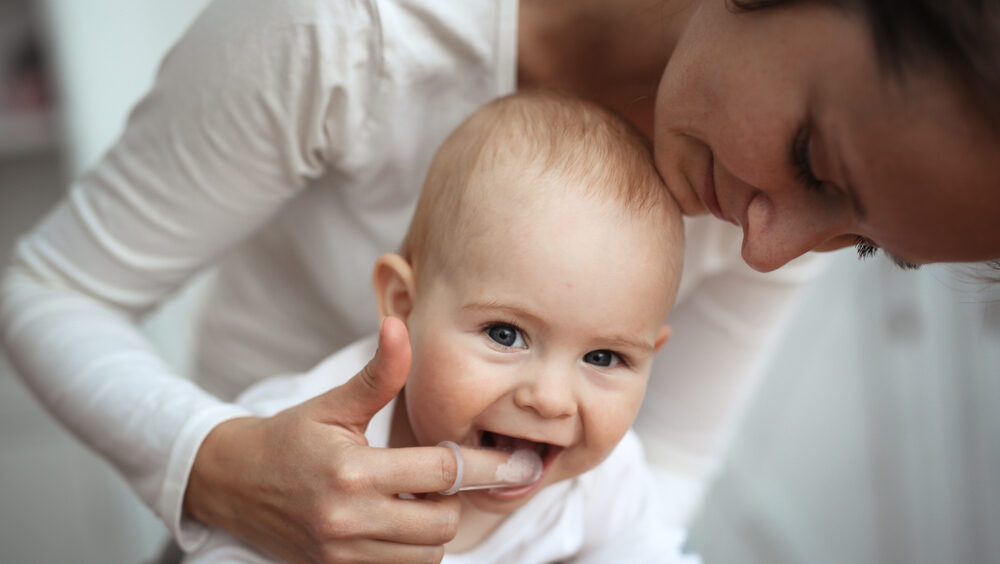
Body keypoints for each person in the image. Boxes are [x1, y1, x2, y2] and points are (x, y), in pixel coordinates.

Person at [0, 1, 996, 562]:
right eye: (816, 161)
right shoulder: (343, 30)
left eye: (865, 242)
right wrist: (214, 465)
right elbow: (48, 289)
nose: (773, 254)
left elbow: (657, 498)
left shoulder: (774, 227)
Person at [183, 89, 695, 563]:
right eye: (505, 334)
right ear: (404, 304)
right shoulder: (301, 450)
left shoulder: (605, 481)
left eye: (604, 358)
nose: (551, 399)